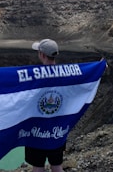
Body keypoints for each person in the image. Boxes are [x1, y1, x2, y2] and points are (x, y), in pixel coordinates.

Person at [26, 38, 65, 172]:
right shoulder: (66, 75)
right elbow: (86, 77)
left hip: (37, 132)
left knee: (37, 167)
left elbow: (8, 80)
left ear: (42, 54)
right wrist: (100, 68)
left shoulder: (33, 77)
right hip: (57, 131)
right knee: (57, 166)